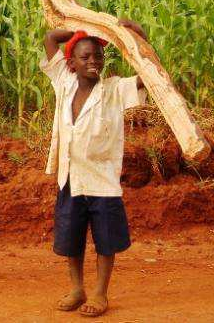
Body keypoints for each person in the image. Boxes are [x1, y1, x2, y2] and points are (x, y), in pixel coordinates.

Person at [40, 20, 147, 317]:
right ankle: (77, 288)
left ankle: (100, 292)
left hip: (103, 180)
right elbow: (50, 37)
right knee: (71, 238)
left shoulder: (114, 89)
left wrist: (136, 34)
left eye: (98, 56)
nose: (93, 62)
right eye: (85, 57)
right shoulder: (64, 81)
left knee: (105, 240)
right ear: (71, 63)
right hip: (70, 177)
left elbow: (147, 75)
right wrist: (89, 29)